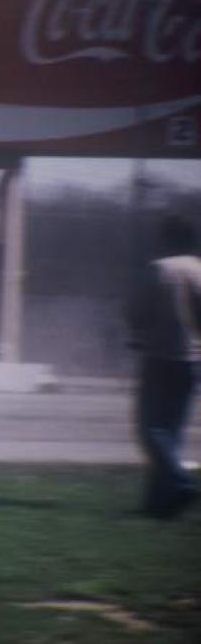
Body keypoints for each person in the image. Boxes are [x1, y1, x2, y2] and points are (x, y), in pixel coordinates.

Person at [127, 215, 201, 519]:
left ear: (167, 239)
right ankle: (158, 505)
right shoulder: (198, 269)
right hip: (192, 360)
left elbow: (136, 312)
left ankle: (181, 482)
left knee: (149, 429)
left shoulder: (158, 269)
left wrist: (137, 335)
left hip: (159, 358)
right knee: (171, 433)